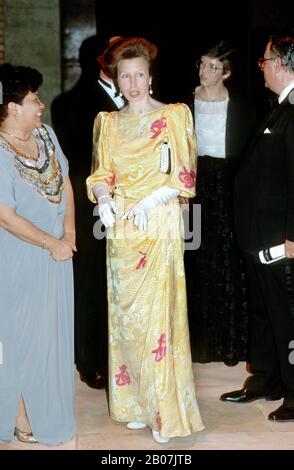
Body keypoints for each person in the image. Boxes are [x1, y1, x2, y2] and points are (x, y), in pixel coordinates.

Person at [86, 36, 204, 443]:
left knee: (157, 319)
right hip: (120, 231)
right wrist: (103, 201)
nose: (133, 83)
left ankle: (164, 411)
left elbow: (184, 174)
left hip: (158, 225)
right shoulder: (108, 123)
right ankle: (136, 402)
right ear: (116, 80)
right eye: (125, 76)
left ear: (150, 76)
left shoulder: (174, 115)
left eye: (139, 75)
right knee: (126, 321)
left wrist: (153, 199)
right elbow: (101, 174)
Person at [0, 64, 76, 445]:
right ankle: (19, 414)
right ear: (13, 107)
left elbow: (64, 179)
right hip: (18, 258)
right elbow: (5, 217)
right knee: (19, 337)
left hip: (57, 255)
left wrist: (70, 232)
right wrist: (51, 242)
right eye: (33, 100)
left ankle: (47, 407)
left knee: (50, 337)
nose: (41, 105)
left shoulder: (45, 133)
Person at [220, 32, 294, 422]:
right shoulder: (279, 107)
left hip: (280, 240)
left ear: (281, 64)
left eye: (264, 61)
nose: (261, 68)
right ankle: (267, 380)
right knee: (266, 313)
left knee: (288, 315)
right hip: (260, 236)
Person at [51, 36, 124, 390]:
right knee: (92, 281)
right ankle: (91, 359)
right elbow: (76, 163)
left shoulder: (147, 98)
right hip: (92, 204)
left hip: (135, 206)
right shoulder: (70, 103)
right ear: (101, 60)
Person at [185, 40, 256, 366]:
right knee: (194, 258)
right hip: (193, 187)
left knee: (229, 261)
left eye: (213, 66)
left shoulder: (241, 105)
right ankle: (200, 345)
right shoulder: (184, 104)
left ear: (226, 73)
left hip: (229, 187)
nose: (204, 71)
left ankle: (231, 343)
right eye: (202, 63)